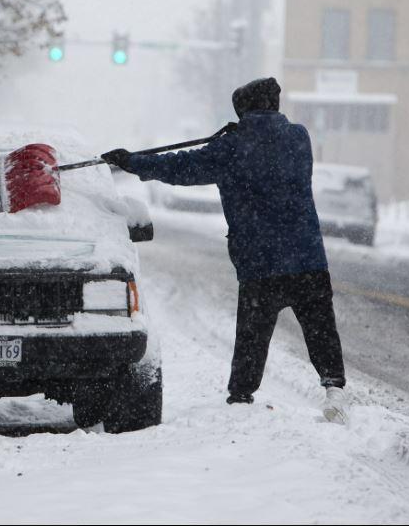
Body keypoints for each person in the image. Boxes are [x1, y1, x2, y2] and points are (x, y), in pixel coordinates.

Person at [101, 77, 348, 423]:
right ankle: (334, 389)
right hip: (308, 257)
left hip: (261, 262)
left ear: (243, 110)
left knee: (252, 335)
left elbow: (180, 167)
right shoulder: (299, 138)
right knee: (320, 326)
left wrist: (134, 161)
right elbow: (269, 145)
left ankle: (241, 399)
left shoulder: (230, 148)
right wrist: (241, 133)